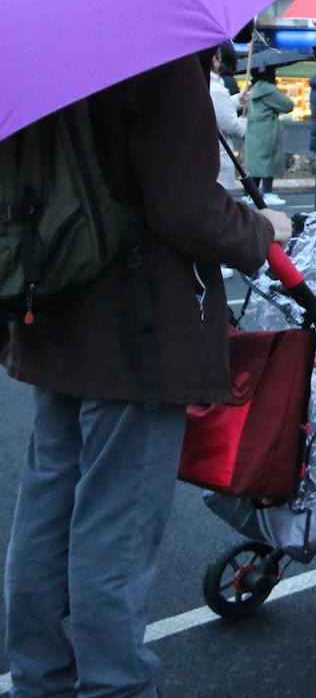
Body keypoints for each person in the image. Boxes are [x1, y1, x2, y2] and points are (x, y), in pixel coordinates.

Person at [0, 53, 290, 698]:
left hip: (48, 303)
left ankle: (40, 677)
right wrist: (260, 227)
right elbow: (185, 206)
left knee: (49, 505)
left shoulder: (35, 45)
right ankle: (115, 684)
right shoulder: (154, 51)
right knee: (117, 521)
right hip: (135, 322)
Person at [242, 63, 295, 205]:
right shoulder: (269, 89)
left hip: (253, 128)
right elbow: (288, 105)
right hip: (267, 129)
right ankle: (268, 193)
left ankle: (251, 194)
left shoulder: (252, 89)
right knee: (268, 160)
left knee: (255, 163)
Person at [210, 41, 246, 192]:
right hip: (218, 158)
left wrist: (237, 100)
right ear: (214, 59)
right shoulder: (217, 89)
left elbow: (214, 108)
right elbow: (233, 127)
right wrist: (245, 121)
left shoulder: (201, 84)